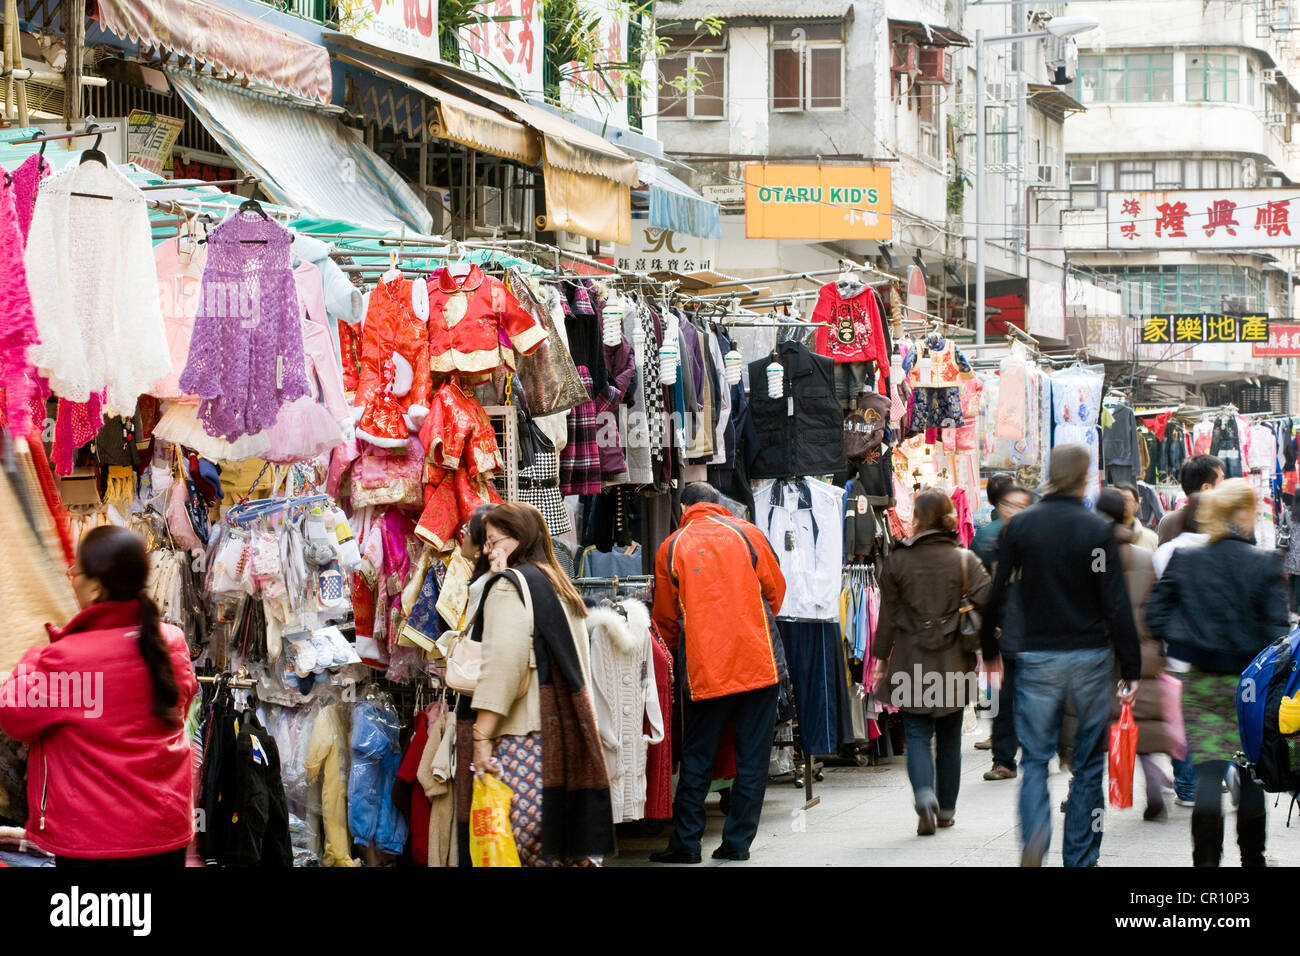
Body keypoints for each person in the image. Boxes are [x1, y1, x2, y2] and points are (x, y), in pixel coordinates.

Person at [980, 444, 1141, 867]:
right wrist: (1132, 666)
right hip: (1089, 654)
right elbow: (1115, 601)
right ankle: (1081, 857)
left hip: (1036, 654)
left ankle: (1035, 837)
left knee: (1034, 759)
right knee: (1088, 764)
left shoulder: (1022, 527)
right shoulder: (1095, 530)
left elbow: (996, 593)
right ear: (1086, 477)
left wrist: (989, 646)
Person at [0, 527, 198, 866]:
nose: (71, 576)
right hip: (166, 834)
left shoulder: (67, 660)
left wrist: (35, 655)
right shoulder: (172, 641)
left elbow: (13, 714)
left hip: (92, 842)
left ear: (94, 586)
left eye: (75, 570)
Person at [1146, 479, 1289, 866]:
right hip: (1251, 688)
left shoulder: (1186, 559)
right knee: (1249, 772)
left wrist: (1186, 640)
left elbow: (1155, 615)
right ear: (1241, 514)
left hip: (1201, 679)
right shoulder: (1262, 563)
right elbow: (1278, 630)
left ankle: (1206, 860)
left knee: (1209, 772)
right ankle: (1252, 857)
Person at [469, 502, 615, 867]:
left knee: (524, 843)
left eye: (492, 541)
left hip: (521, 736)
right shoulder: (557, 583)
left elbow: (501, 665)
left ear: (517, 539)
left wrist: (481, 736)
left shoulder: (509, 588)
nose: (486, 550)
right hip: (564, 735)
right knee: (558, 848)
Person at [649, 482, 787, 863]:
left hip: (706, 668)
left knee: (697, 756)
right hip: (758, 664)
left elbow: (665, 617)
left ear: (683, 508)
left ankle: (687, 844)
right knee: (752, 759)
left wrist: (680, 652)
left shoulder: (673, 546)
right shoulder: (749, 534)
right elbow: (775, 592)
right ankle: (737, 843)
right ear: (716, 504)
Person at [869, 490, 990, 834]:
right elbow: (989, 601)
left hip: (910, 660)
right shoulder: (965, 560)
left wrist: (879, 659)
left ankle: (924, 794)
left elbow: (888, 615)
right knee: (950, 738)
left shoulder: (898, 559)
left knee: (918, 735)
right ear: (949, 517)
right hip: (954, 662)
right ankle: (947, 810)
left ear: (918, 519)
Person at [1094, 488, 1183, 822]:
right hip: (1143, 648)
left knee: (1100, 723)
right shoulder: (1146, 556)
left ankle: (1085, 790)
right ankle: (1154, 785)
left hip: (1102, 651)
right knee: (1138, 723)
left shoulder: (1093, 556)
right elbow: (1158, 609)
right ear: (1127, 516)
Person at [1150, 492, 1206, 809]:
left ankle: (1187, 784)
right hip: (1216, 653)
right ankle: (1218, 772)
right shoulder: (1224, 550)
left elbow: (1156, 607)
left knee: (1180, 720)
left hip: (1176, 651)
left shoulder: (1164, 553)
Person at [976, 483, 1034, 779]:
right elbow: (979, 591)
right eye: (1008, 505)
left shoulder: (1041, 545)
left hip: (1038, 637)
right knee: (1001, 700)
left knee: (1035, 701)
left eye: (1020, 506)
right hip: (1003, 633)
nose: (1012, 511)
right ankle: (1003, 761)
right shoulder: (989, 542)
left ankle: (1037, 754)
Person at [1157, 455, 1224, 545]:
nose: (1225, 486)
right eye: (1222, 480)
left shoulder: (1168, 521)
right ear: (1206, 488)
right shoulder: (1223, 522)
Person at [1114, 482, 1158, 552]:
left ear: (1136, 505)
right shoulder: (1101, 536)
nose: (1121, 503)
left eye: (1126, 499)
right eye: (1117, 499)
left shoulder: (1152, 539)